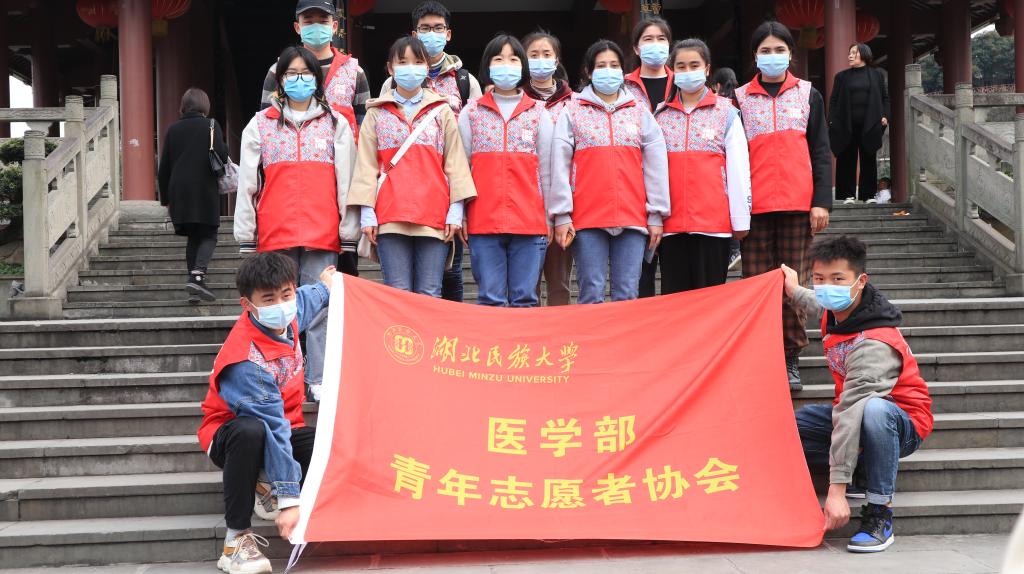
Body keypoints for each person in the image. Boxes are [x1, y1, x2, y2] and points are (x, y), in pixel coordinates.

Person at [783, 236, 933, 553]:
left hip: (900, 424)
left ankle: (880, 513)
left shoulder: (873, 342)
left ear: (860, 281)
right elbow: (816, 302)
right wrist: (793, 288)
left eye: (838, 279)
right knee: (791, 425)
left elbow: (852, 412)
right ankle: (861, 465)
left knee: (873, 411)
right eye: (820, 279)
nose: (827, 287)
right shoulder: (841, 309)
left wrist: (836, 490)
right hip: (855, 412)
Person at [197, 252, 336, 574]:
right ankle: (236, 539)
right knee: (252, 431)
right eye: (269, 299)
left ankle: (265, 482)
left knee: (326, 444)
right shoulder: (247, 360)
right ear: (248, 305)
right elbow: (271, 427)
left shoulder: (289, 313)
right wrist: (289, 501)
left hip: (285, 426)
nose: (282, 304)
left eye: (286, 294)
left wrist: (328, 285)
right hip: (231, 434)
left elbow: (307, 298)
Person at [235, 45, 358, 402]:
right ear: (280, 80)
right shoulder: (260, 125)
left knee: (320, 308)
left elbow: (346, 181)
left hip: (323, 230)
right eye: (291, 74)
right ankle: (279, 376)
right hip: (276, 231)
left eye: (305, 73)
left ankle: (318, 379)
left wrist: (348, 230)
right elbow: (247, 184)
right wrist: (246, 233)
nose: (298, 80)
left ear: (317, 80)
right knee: (276, 309)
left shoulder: (336, 123)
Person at [734, 21, 832, 391]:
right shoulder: (739, 99)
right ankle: (762, 354)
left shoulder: (808, 94)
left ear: (790, 53)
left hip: (796, 204)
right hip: (754, 207)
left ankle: (790, 355)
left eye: (779, 50)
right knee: (757, 284)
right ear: (755, 55)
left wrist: (821, 202)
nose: (772, 56)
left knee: (793, 284)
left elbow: (820, 150)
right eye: (765, 50)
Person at [349, 36, 476, 297]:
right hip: (389, 216)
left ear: (427, 67)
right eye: (403, 62)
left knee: (430, 293)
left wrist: (455, 211)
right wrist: (367, 213)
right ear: (390, 68)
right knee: (398, 293)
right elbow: (366, 166)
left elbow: (455, 164)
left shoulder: (441, 111)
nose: (411, 68)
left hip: (434, 214)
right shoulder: (376, 113)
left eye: (418, 62)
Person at [550, 40, 670, 304]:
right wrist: (562, 214)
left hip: (632, 217)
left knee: (627, 294)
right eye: (601, 65)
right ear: (589, 71)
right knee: (590, 292)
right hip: (586, 219)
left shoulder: (639, 111)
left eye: (614, 65)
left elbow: (656, 165)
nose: (608, 71)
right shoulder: (572, 111)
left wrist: (656, 213)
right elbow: (559, 165)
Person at [379, 1, 483, 303]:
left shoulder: (464, 81)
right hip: (399, 195)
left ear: (448, 34)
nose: (432, 34)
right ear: (414, 33)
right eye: (425, 28)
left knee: (450, 273)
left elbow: (476, 138)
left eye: (438, 28)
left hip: (449, 192)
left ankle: (449, 328)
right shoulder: (392, 82)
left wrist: (462, 198)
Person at [259, 0, 370, 278]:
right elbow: (266, 130)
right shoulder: (277, 72)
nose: (316, 26)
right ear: (297, 27)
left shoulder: (354, 72)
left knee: (339, 275)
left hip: (341, 185)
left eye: (323, 20)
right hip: (291, 188)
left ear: (335, 26)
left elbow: (365, 130)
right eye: (308, 21)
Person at [460, 34, 554, 307]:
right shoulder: (471, 112)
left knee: (525, 299)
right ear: (487, 65)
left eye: (513, 59)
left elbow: (548, 171)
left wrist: (551, 216)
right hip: (482, 220)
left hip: (530, 221)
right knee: (490, 299)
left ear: (522, 66)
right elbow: (460, 168)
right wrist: (461, 213)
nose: (506, 65)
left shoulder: (539, 113)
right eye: (498, 59)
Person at [655, 40, 750, 294]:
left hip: (713, 226)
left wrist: (740, 218)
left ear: (707, 69)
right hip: (671, 227)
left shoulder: (726, 113)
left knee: (711, 302)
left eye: (694, 65)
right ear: (672, 70)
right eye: (681, 66)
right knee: (675, 302)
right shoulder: (660, 116)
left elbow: (738, 169)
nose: (688, 71)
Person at [158, 88, 228, 304]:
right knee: (209, 234)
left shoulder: (173, 129)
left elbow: (164, 166)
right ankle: (197, 275)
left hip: (179, 190)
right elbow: (222, 154)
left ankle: (194, 289)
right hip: (203, 187)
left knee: (193, 237)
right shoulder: (211, 125)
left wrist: (165, 199)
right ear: (204, 105)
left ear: (184, 106)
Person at [523, 30, 575, 306]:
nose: (540, 60)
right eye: (533, 55)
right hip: (526, 205)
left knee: (559, 283)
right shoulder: (516, 101)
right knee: (526, 285)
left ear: (557, 60)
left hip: (564, 206)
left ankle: (560, 332)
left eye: (546, 54)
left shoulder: (575, 102)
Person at [624, 16, 673, 298]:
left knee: (675, 279)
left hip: (680, 191)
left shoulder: (682, 82)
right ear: (636, 48)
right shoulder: (623, 87)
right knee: (640, 278)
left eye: (661, 39)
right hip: (637, 195)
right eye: (648, 39)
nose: (655, 45)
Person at [829, 43, 890, 204]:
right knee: (846, 160)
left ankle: (868, 195)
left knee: (868, 159)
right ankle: (846, 195)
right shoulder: (841, 77)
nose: (850, 55)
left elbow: (885, 98)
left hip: (869, 124)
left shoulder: (876, 75)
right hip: (846, 124)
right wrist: (832, 120)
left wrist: (885, 115)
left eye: (854, 52)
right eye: (849, 53)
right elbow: (834, 100)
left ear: (864, 54)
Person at [710, 66, 743, 272]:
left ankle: (734, 250)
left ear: (717, 85)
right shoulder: (740, 102)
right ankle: (736, 250)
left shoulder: (717, 105)